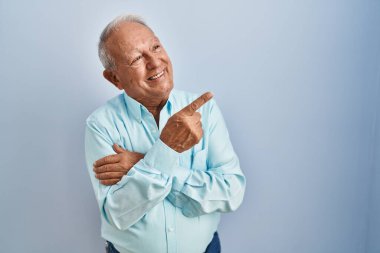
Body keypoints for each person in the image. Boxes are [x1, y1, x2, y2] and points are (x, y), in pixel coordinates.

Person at [85, 14, 246, 253]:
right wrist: (167, 149)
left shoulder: (205, 109)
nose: (155, 62)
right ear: (114, 78)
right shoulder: (100, 125)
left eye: (156, 47)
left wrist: (140, 162)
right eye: (137, 58)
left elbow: (232, 193)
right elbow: (118, 214)